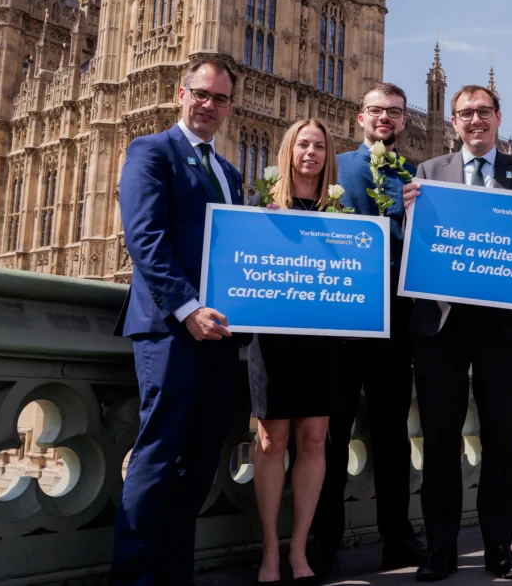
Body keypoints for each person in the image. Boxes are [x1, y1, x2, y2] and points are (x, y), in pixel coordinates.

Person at [111, 57, 245, 585]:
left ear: (231, 107)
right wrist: (188, 309)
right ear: (181, 94)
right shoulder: (151, 150)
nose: (209, 105)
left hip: (220, 334)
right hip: (169, 328)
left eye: (220, 99)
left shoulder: (230, 173)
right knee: (159, 452)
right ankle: (134, 578)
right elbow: (145, 239)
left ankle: (174, 575)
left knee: (199, 460)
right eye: (202, 94)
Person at [403, 85, 512, 581]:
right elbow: (415, 244)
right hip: (442, 325)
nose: (475, 120)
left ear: (498, 118)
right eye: (466, 113)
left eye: (484, 112)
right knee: (439, 440)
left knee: (503, 440)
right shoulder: (427, 172)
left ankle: (500, 549)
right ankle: (440, 549)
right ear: (453, 119)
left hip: (504, 328)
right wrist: (408, 212)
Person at [312, 84, 425, 577]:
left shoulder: (417, 178)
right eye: (377, 111)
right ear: (361, 117)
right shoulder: (334, 167)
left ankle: (397, 537)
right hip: (341, 321)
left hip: (396, 325)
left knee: (392, 434)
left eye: (394, 113)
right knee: (330, 434)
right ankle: (324, 540)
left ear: (403, 122)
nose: (385, 119)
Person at [249, 119, 344, 584]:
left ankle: (299, 551)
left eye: (319, 146)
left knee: (312, 440)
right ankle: (270, 550)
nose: (310, 152)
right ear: (288, 150)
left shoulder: (341, 212)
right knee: (272, 441)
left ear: (329, 155)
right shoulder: (261, 205)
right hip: (272, 341)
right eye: (302, 144)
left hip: (323, 340)